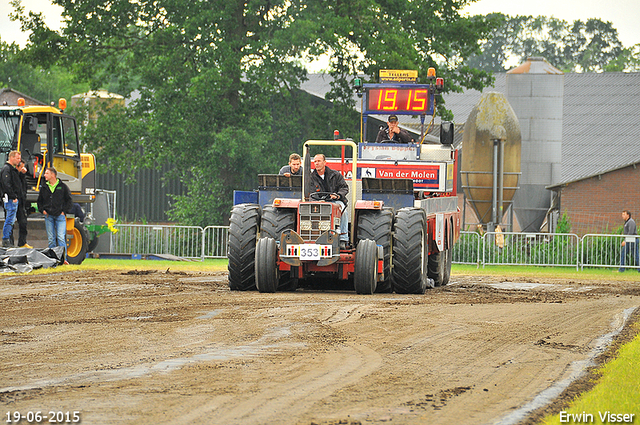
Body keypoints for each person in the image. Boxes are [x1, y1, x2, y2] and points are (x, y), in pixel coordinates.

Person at [309, 154, 349, 248]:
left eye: (319, 161)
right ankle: (313, 236)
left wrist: (337, 195)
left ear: (324, 162)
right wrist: (317, 200)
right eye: (315, 161)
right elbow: (310, 193)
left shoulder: (335, 175)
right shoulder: (311, 177)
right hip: (318, 202)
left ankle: (343, 237)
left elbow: (344, 188)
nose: (317, 163)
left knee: (343, 211)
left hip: (335, 201)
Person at [37, 167, 73, 255]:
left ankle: (63, 258)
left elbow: (69, 200)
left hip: (60, 216)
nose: (44, 175)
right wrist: (43, 210)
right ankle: (53, 259)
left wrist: (64, 211)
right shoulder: (44, 187)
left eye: (47, 173)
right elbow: (39, 201)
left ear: (53, 175)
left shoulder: (63, 187)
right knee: (51, 239)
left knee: (61, 237)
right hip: (48, 216)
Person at [1, 150, 22, 247]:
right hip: (10, 199)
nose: (19, 160)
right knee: (9, 220)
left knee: (11, 220)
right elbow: (6, 184)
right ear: (11, 157)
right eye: (17, 158)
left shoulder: (12, 169)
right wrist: (13, 196)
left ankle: (7, 239)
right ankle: (6, 240)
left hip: (12, 198)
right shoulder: (7, 169)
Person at [15, 160, 32, 248]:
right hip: (15, 201)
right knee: (10, 222)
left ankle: (22, 242)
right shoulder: (14, 175)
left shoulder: (22, 177)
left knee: (23, 222)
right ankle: (9, 242)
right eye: (22, 167)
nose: (24, 169)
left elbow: (24, 188)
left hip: (21, 202)